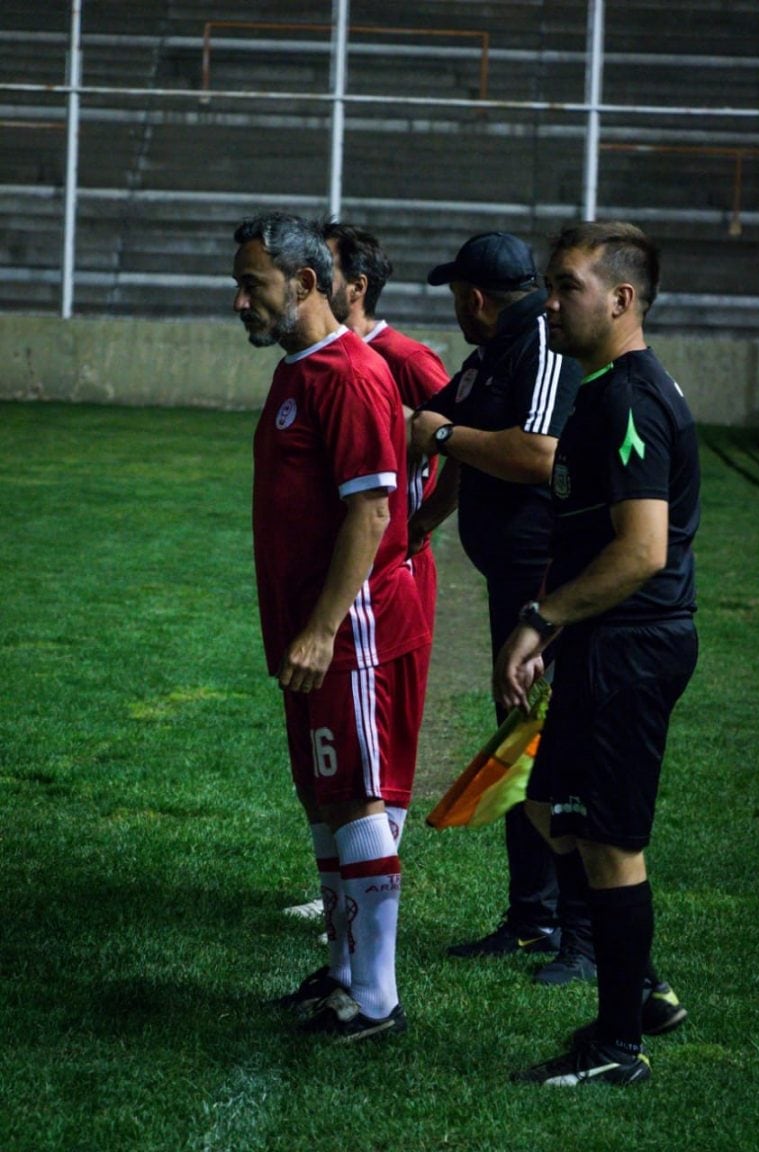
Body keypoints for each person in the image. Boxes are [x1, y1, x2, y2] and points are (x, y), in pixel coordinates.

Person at [495, 221, 700, 1085]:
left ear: (620, 299)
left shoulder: (628, 399)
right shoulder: (604, 387)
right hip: (603, 642)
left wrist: (543, 616)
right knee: (556, 810)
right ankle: (637, 980)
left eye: (566, 286)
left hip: (631, 647)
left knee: (610, 840)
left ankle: (618, 1044)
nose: (549, 302)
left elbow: (643, 548)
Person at [232, 211, 431, 1041]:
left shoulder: (351, 375)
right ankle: (344, 972)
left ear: (305, 283)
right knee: (323, 796)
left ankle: (377, 998)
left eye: (253, 285)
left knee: (356, 796)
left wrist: (318, 631)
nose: (238, 301)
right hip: (307, 632)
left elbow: (370, 512)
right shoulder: (298, 370)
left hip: (349, 633)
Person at [408, 231, 585, 978]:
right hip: (513, 585)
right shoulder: (490, 356)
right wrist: (413, 530)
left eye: (456, 298)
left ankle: (575, 932)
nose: (457, 311)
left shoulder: (540, 345)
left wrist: (442, 431)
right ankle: (531, 919)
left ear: (475, 298)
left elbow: (539, 454)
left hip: (548, 589)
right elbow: (454, 445)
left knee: (552, 751)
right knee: (520, 746)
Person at [322, 220, 449, 630]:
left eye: (325, 272)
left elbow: (464, 444)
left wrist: (422, 524)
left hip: (397, 563)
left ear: (357, 288)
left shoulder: (407, 360)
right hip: (349, 555)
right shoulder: (331, 359)